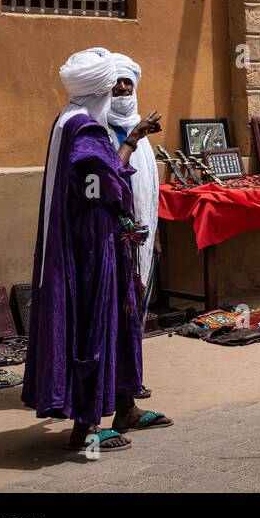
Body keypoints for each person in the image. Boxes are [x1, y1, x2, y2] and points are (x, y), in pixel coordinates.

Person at [22, 47, 172, 452]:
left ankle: (125, 406)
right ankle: (86, 426)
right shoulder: (86, 131)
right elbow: (103, 187)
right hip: (93, 248)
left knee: (122, 325)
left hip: (107, 244)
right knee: (94, 327)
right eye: (113, 85)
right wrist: (133, 142)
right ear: (101, 90)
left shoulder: (67, 121)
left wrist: (136, 137)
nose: (120, 90)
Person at [107, 53, 160, 402]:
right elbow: (110, 177)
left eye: (128, 82)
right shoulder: (100, 130)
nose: (123, 88)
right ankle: (113, 382)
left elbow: (150, 190)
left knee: (136, 312)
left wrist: (155, 236)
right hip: (114, 241)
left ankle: (131, 379)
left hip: (142, 239)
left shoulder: (138, 130)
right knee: (114, 314)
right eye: (117, 82)